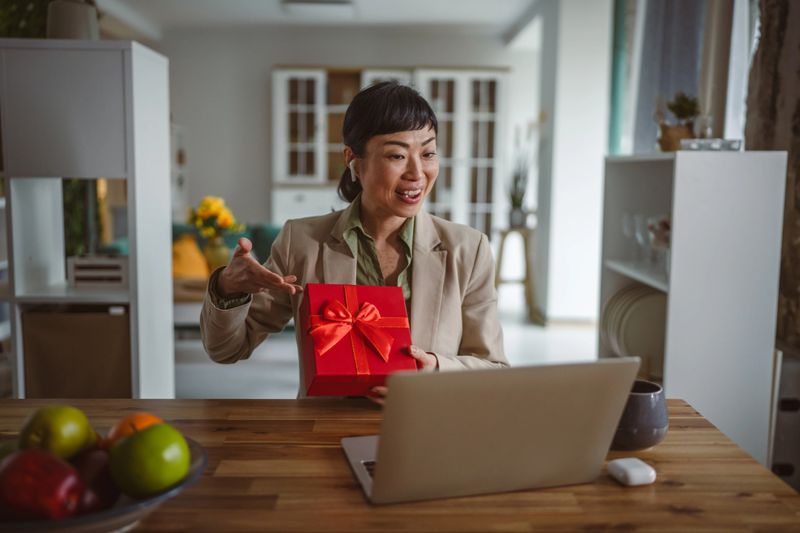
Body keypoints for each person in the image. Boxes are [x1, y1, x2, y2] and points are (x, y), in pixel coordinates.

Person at [200, 81, 508, 402]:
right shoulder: (301, 242)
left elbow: (494, 368)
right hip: (323, 432)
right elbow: (226, 350)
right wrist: (228, 289)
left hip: (427, 427)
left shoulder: (468, 249)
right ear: (353, 160)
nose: (417, 173)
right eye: (397, 155)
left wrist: (432, 371)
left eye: (428, 153)